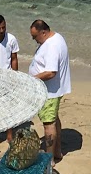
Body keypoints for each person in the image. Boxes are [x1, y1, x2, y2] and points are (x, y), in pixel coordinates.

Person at [28, 19, 70, 161]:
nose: (34, 40)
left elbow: (51, 72)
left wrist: (32, 80)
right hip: (54, 90)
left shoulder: (52, 46)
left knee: (48, 124)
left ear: (44, 32)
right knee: (53, 119)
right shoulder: (56, 37)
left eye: (35, 37)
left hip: (50, 92)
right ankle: (57, 152)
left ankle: (49, 158)